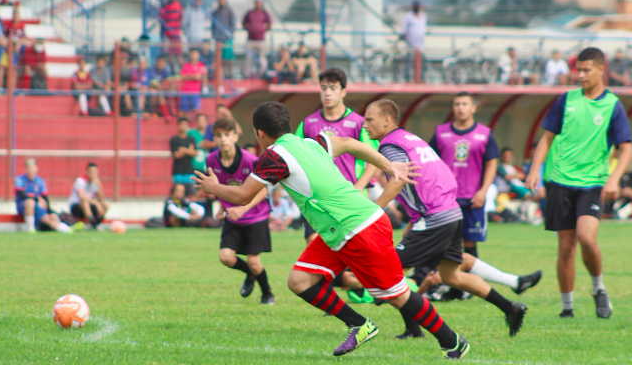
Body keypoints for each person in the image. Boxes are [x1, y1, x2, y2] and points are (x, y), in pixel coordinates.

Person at [195, 101, 470, 359]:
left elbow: (243, 195)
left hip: (360, 228)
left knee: (397, 295)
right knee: (299, 281)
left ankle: (452, 341)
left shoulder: (275, 156)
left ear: (260, 133)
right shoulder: (311, 144)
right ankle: (359, 324)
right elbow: (350, 144)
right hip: (340, 230)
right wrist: (386, 164)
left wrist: (214, 187)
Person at [363, 99, 536, 339]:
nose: (364, 125)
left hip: (434, 217)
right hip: (451, 212)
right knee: (451, 276)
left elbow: (399, 178)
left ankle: (414, 329)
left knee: (390, 269)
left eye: (369, 119)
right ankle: (510, 307)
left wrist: (375, 208)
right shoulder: (412, 139)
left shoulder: (390, 144)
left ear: (387, 120)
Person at [526, 47, 632, 319]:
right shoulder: (566, 100)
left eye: (586, 70)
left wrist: (614, 178)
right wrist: (535, 170)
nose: (581, 75)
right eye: (578, 70)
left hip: (592, 183)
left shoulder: (612, 106)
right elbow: (547, 138)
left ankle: (598, 288)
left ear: (600, 70)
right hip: (560, 181)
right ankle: (567, 308)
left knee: (586, 237)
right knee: (566, 248)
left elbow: (626, 148)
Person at [295, 68, 378, 246]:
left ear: (343, 92)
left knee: (350, 247)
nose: (327, 92)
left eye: (333, 88)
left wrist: (360, 186)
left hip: (350, 196)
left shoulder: (358, 123)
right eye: (323, 88)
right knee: (314, 241)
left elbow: (374, 158)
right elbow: (296, 157)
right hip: (318, 198)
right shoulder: (308, 123)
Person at [208, 118, 275, 304]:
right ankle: (250, 275)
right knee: (226, 257)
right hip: (233, 217)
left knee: (254, 261)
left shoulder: (250, 160)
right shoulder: (211, 160)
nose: (223, 139)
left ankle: (268, 294)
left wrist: (243, 209)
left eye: (227, 135)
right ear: (214, 138)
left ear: (235, 136)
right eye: (219, 136)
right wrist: (222, 207)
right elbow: (219, 187)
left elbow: (262, 191)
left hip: (256, 216)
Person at [430, 92, 499, 258]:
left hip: (472, 198)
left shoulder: (485, 133)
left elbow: (491, 164)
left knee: (470, 243)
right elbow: (430, 161)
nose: (460, 107)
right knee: (444, 241)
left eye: (464, 104)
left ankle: (469, 283)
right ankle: (446, 282)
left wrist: (483, 191)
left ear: (473, 108)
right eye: (457, 104)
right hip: (446, 197)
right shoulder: (441, 132)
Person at [15, 158, 77, 233]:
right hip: (23, 206)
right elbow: (22, 196)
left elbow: (45, 197)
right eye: (28, 168)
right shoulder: (20, 179)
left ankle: (65, 228)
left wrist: (50, 211)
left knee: (49, 217)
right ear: (25, 169)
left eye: (32, 167)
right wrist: (37, 199)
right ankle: (30, 228)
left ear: (36, 168)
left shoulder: (40, 181)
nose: (30, 170)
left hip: (37, 206)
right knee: (30, 202)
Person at [68, 162, 109, 228]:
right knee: (85, 203)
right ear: (87, 172)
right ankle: (91, 222)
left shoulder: (95, 182)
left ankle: (97, 222)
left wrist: (99, 185)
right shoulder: (80, 180)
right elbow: (82, 197)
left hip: (89, 205)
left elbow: (101, 200)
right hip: (76, 206)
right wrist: (96, 203)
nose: (93, 174)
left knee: (106, 204)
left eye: (95, 172)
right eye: (91, 171)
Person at [242, 0, 271, 77]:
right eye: (256, 2)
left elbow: (269, 24)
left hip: (261, 40)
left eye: (259, 2)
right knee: (248, 58)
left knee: (262, 59)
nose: (258, 3)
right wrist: (249, 28)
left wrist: (262, 29)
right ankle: (247, 74)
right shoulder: (250, 13)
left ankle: (261, 74)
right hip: (251, 39)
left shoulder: (265, 13)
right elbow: (244, 23)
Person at [399, 0, 427, 82]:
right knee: (409, 63)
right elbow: (403, 30)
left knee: (422, 63)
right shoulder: (408, 17)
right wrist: (403, 35)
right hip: (410, 45)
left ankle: (421, 79)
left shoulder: (423, 16)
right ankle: (408, 79)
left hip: (420, 46)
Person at [158, 0, 184, 70]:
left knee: (179, 53)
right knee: (170, 54)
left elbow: (181, 17)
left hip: (176, 33)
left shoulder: (179, 5)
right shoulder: (165, 5)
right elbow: (160, 17)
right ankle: (171, 69)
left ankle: (181, 69)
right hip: (168, 33)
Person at [211, 0, 236, 78]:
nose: (222, 2)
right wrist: (215, 35)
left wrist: (229, 33)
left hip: (227, 39)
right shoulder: (215, 12)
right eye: (220, 0)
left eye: (223, 0)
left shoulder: (229, 11)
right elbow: (213, 25)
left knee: (228, 59)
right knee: (218, 59)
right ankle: (219, 75)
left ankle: (229, 74)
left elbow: (233, 24)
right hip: (218, 40)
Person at [170, 117, 197, 193]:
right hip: (178, 172)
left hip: (189, 172)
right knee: (178, 194)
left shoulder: (191, 139)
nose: (184, 126)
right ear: (178, 125)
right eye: (182, 124)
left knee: (192, 194)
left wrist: (183, 150)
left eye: (186, 125)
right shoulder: (174, 139)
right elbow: (176, 155)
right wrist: (189, 151)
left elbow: (195, 153)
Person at [179, 48, 207, 115]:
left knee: (196, 111)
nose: (194, 56)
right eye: (192, 54)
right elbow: (182, 77)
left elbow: (198, 77)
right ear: (190, 55)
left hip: (195, 92)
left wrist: (188, 75)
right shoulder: (186, 65)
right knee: (184, 112)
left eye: (195, 54)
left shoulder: (200, 65)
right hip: (185, 91)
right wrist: (193, 76)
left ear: (198, 55)